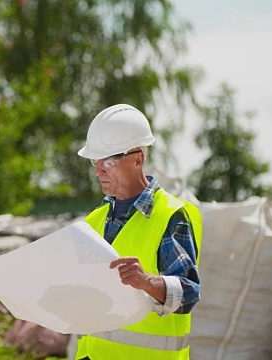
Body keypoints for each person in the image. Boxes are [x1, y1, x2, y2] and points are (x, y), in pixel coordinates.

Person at [72, 104, 202, 360]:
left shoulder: (170, 215)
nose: (98, 170)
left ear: (137, 159)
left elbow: (189, 293)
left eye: (108, 161)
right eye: (95, 161)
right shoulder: (93, 220)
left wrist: (147, 281)